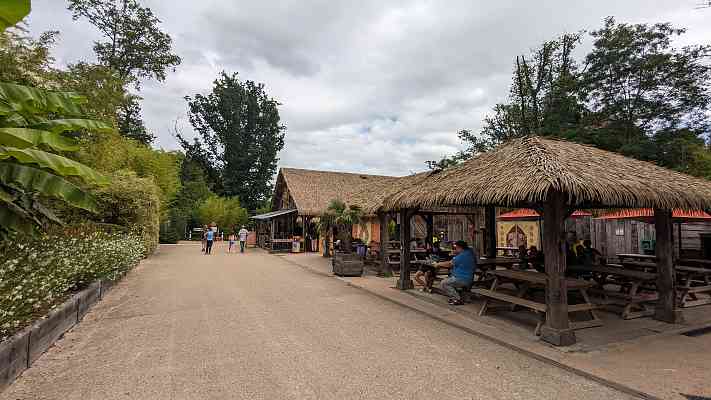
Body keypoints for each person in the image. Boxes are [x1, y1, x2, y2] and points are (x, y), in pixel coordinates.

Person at [435, 240, 476, 305]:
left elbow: (450, 264)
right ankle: (462, 297)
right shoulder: (469, 252)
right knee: (449, 278)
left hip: (462, 279)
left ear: (460, 247)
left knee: (444, 283)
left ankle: (457, 299)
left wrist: (438, 264)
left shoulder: (462, 256)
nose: (455, 249)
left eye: (456, 248)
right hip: (468, 277)